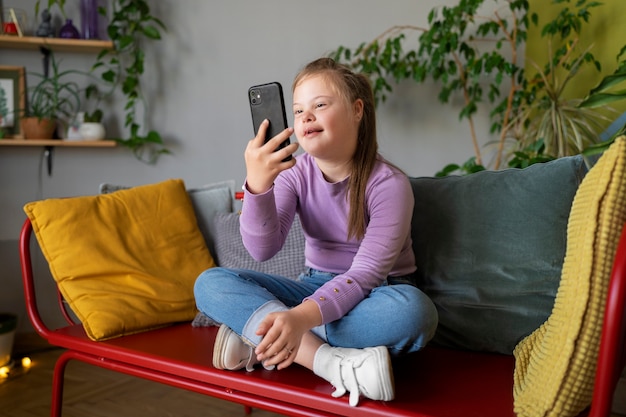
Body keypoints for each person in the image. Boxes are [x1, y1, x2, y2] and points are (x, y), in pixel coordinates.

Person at [194, 57, 438, 407]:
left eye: (320, 105)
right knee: (208, 283)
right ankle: (327, 362)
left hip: (378, 292)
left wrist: (299, 319)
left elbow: (366, 275)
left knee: (415, 313)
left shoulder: (389, 184)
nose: (305, 117)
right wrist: (258, 186)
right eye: (298, 111)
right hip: (312, 284)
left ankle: (259, 339)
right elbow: (262, 250)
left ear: (357, 110)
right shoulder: (294, 173)